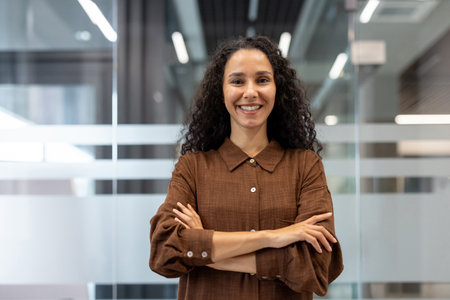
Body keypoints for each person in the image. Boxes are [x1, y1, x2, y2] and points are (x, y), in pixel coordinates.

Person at [149, 36, 343, 300]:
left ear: (278, 88)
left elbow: (316, 266)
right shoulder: (192, 168)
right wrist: (273, 238)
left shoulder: (305, 166)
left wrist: (206, 252)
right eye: (237, 81)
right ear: (221, 90)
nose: (250, 92)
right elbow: (165, 251)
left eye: (262, 80)